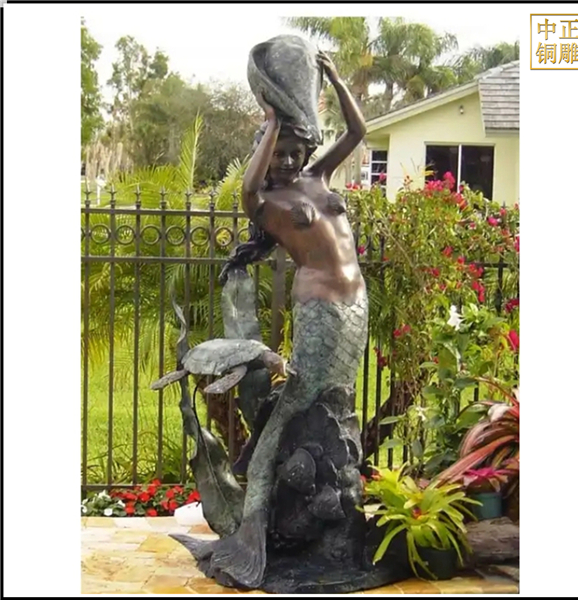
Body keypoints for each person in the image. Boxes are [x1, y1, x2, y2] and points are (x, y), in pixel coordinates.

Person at [207, 51, 369, 588]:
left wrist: (338, 81)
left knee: (334, 403)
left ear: (306, 152)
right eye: (277, 153)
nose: (286, 161)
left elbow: (357, 132)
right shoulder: (267, 202)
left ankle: (323, 499)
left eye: (294, 152)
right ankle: (254, 522)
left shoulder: (318, 177)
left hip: (356, 307)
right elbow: (248, 188)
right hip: (321, 312)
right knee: (296, 403)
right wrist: (274, 121)